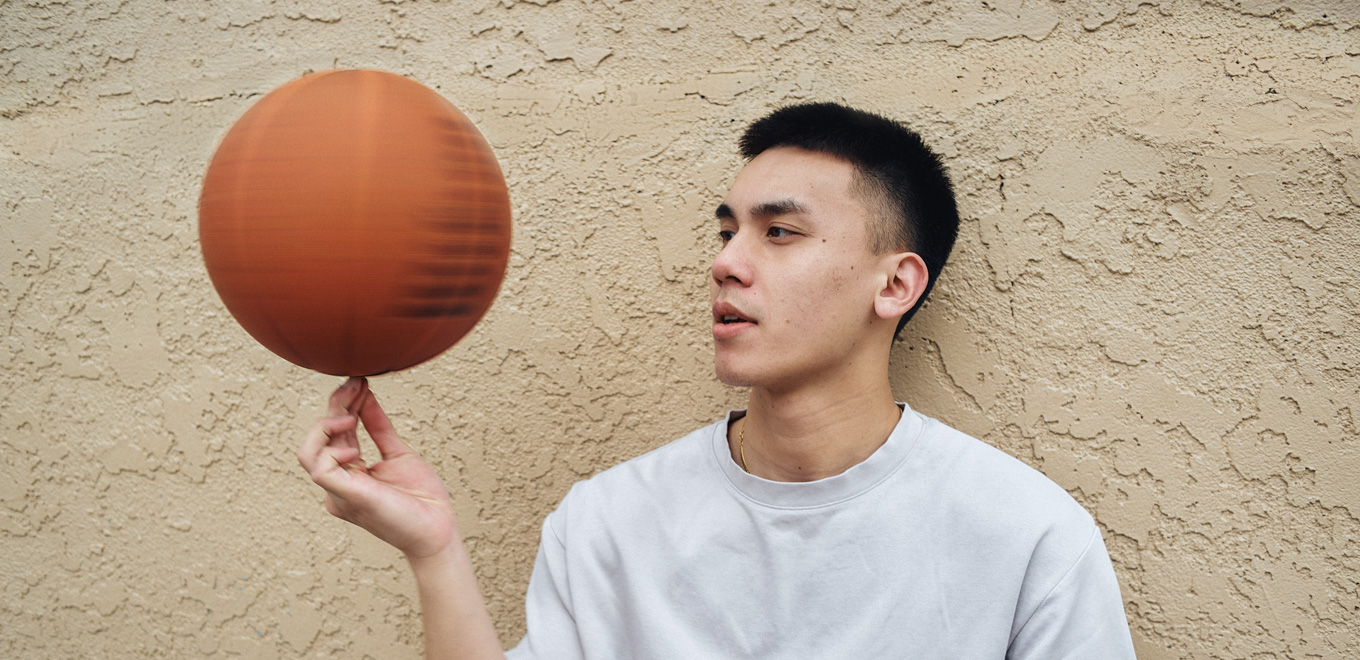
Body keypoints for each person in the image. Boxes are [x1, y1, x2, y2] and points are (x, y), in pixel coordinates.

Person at [297, 102, 1137, 659]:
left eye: (779, 233)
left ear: (895, 284)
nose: (726, 262)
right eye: (729, 229)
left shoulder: (1026, 539)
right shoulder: (611, 524)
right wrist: (435, 553)